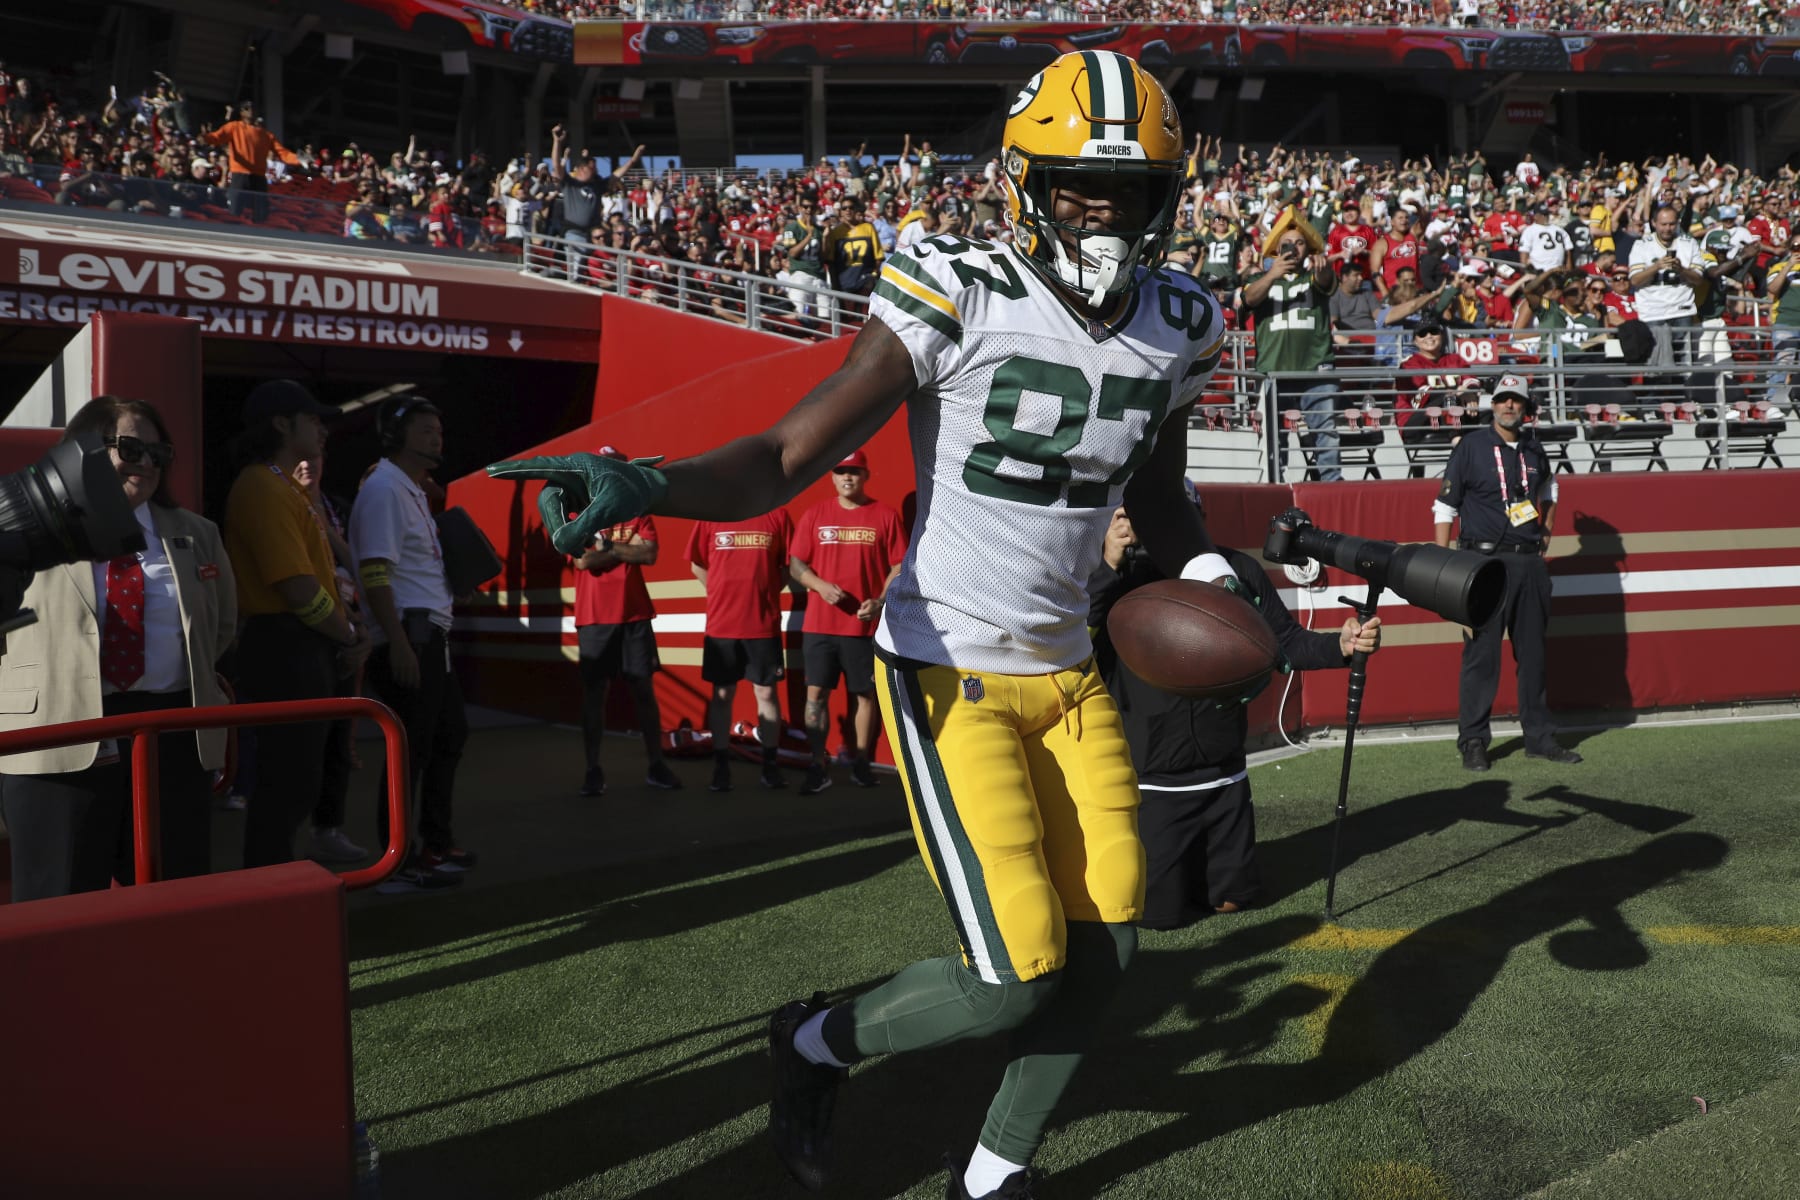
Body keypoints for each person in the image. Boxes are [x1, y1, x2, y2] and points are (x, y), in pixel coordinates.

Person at [489, 50, 1232, 1199]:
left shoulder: (1180, 321)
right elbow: (787, 454)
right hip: (949, 664)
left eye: (1130, 188)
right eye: (1080, 184)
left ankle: (992, 1175)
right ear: (1025, 183)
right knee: (1015, 974)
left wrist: (1215, 572)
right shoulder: (959, 285)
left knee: (1110, 943)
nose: (1104, 210)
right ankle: (811, 1041)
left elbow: (1163, 496)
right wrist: (652, 481)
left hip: (1068, 668)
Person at [1091, 495, 1380, 928]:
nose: (1168, 526)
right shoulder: (1116, 576)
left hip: (1224, 772)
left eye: (1181, 514)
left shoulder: (1234, 570)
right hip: (1152, 777)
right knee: (1159, 916)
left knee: (1233, 901)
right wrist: (1108, 565)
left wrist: (1339, 646)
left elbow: (1283, 641)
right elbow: (1072, 637)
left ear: (1199, 516)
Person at [0, 396, 236, 901]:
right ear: (84, 450)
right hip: (57, 737)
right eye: (131, 448)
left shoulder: (199, 533)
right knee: (57, 908)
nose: (146, 462)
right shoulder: (24, 524)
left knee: (173, 899)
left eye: (159, 453)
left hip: (173, 738)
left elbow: (221, 626)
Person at [225, 381, 370, 867]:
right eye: (312, 419)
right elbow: (297, 588)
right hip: (284, 647)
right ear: (281, 424)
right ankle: (267, 887)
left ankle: (275, 883)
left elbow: (313, 583)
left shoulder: (283, 486)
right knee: (286, 784)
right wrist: (347, 634)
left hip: (303, 645)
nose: (322, 430)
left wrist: (348, 627)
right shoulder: (261, 486)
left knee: (300, 781)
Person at [349, 395, 472, 890]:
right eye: (424, 430)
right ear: (395, 436)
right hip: (409, 639)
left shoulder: (411, 489)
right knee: (410, 752)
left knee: (448, 736)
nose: (436, 438)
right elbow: (374, 572)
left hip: (429, 636)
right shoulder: (385, 488)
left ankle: (434, 845)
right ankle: (394, 863)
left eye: (438, 430)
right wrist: (397, 642)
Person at [1431, 374, 1582, 772]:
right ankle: (1474, 741)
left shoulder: (1534, 448)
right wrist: (1445, 566)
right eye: (1502, 399)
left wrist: (1547, 530)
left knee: (1533, 656)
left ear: (1526, 407)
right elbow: (1445, 507)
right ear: (1492, 405)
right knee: (1481, 657)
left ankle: (1540, 738)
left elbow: (1549, 489)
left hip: (1529, 563)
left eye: (1516, 400)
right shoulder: (1470, 447)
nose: (1508, 406)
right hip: (1482, 565)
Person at [786, 449, 907, 795]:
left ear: (865, 475)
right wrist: (820, 586)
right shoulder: (815, 514)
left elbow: (899, 566)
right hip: (819, 626)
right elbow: (796, 564)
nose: (847, 477)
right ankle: (817, 764)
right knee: (816, 695)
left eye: (854, 471)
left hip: (861, 627)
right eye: (840, 471)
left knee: (865, 696)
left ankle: (861, 762)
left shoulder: (885, 515)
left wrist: (880, 601)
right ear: (832, 476)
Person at [572, 445, 681, 797]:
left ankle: (656, 766)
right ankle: (593, 770)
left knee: (644, 690)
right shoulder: (577, 513)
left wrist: (606, 548)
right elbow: (582, 562)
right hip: (595, 617)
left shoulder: (637, 510)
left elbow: (649, 554)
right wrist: (625, 549)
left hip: (634, 614)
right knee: (595, 694)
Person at [687, 506, 795, 793]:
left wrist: (765, 593)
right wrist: (721, 593)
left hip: (763, 625)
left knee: (766, 693)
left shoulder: (777, 515)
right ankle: (721, 765)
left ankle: (769, 765)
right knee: (722, 695)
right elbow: (697, 565)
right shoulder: (711, 515)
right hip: (722, 626)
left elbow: (788, 567)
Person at [1244, 208, 1341, 481]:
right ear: (1277, 249)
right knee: (1273, 437)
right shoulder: (1258, 279)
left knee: (1326, 433)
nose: (1293, 248)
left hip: (1315, 370)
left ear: (1308, 249)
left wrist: (1324, 267)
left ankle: (1332, 486)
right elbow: (1249, 299)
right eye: (1287, 243)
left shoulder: (1314, 275)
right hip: (1273, 371)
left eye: (1299, 243)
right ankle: (1275, 487)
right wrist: (1272, 274)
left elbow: (1326, 281)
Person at [1626, 204, 1706, 369]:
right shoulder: (1641, 245)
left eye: (1671, 224)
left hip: (1681, 310)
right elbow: (1635, 280)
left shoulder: (1689, 243)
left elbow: (1698, 279)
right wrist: (1657, 266)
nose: (1667, 229)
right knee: (1656, 364)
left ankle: (1684, 386)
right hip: (1653, 312)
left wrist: (1681, 269)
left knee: (1684, 363)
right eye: (1663, 224)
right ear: (1654, 223)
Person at [202, 101, 297, 222]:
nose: (251, 110)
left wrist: (300, 160)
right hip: (239, 174)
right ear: (241, 112)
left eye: (253, 108)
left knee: (261, 213)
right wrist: (205, 137)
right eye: (247, 108)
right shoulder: (234, 127)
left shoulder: (266, 135)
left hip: (258, 177)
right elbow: (217, 137)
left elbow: (284, 153)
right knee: (235, 210)